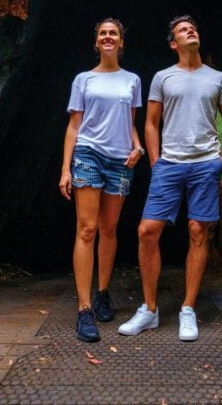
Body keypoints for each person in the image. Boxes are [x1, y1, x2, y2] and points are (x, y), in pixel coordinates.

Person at [118, 15, 222, 341]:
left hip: (205, 164)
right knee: (147, 231)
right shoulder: (163, 77)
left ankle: (188, 309)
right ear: (174, 43)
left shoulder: (218, 78)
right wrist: (156, 162)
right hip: (169, 164)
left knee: (198, 231)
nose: (191, 31)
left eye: (193, 28)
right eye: (183, 30)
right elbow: (151, 122)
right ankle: (150, 310)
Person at [59, 18, 145, 342]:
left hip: (120, 159)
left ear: (121, 42)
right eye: (103, 33)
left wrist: (138, 147)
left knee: (109, 228)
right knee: (87, 228)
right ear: (96, 42)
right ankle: (84, 310)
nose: (108, 37)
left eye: (113, 33)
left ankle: (103, 293)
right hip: (88, 154)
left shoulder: (132, 80)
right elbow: (73, 126)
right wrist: (65, 169)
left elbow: (130, 122)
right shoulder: (83, 79)